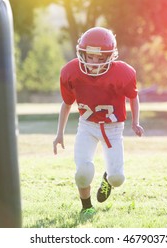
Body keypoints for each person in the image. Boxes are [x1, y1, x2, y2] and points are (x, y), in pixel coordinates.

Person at [53, 26, 144, 218]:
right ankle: (86, 207)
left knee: (117, 178)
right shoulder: (71, 72)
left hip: (113, 129)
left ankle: (107, 179)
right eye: (90, 56)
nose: (94, 62)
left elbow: (133, 97)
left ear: (110, 57)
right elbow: (67, 103)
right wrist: (59, 133)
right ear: (82, 53)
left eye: (101, 58)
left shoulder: (123, 73)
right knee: (83, 171)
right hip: (87, 127)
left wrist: (135, 122)